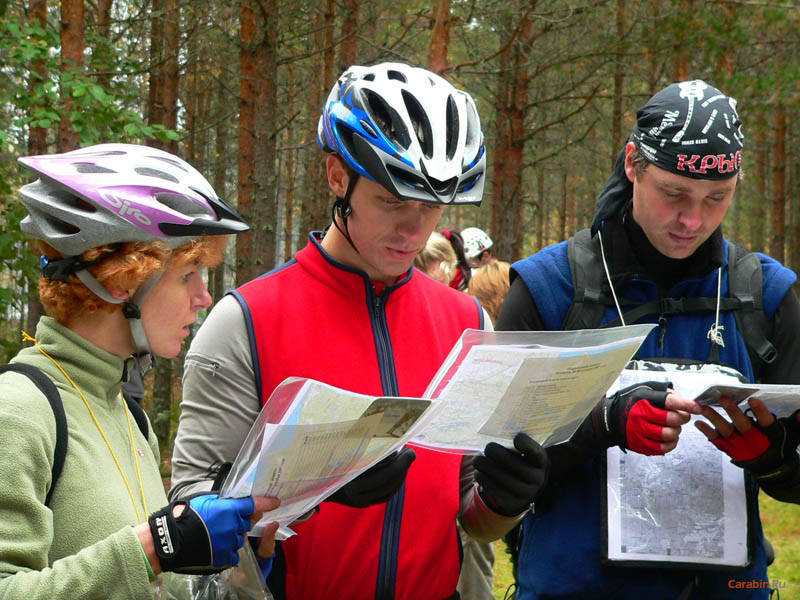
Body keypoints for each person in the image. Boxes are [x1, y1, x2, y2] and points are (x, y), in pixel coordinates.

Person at [169, 62, 550, 600]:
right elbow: (191, 513)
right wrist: (314, 489)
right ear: (337, 177)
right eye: (393, 201)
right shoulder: (245, 320)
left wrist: (504, 500)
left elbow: (472, 519)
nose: (414, 229)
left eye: (432, 206)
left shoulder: (467, 322)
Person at [497, 80, 800, 599]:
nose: (693, 220)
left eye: (717, 199)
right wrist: (602, 424)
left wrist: (773, 457)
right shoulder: (551, 289)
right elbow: (493, 470)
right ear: (633, 164)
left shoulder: (768, 294)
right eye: (674, 193)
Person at [0, 143, 280, 599]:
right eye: (189, 273)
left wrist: (237, 570)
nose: (204, 297)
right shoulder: (19, 412)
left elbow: (155, 587)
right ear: (121, 279)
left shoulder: (127, 414)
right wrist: (155, 546)